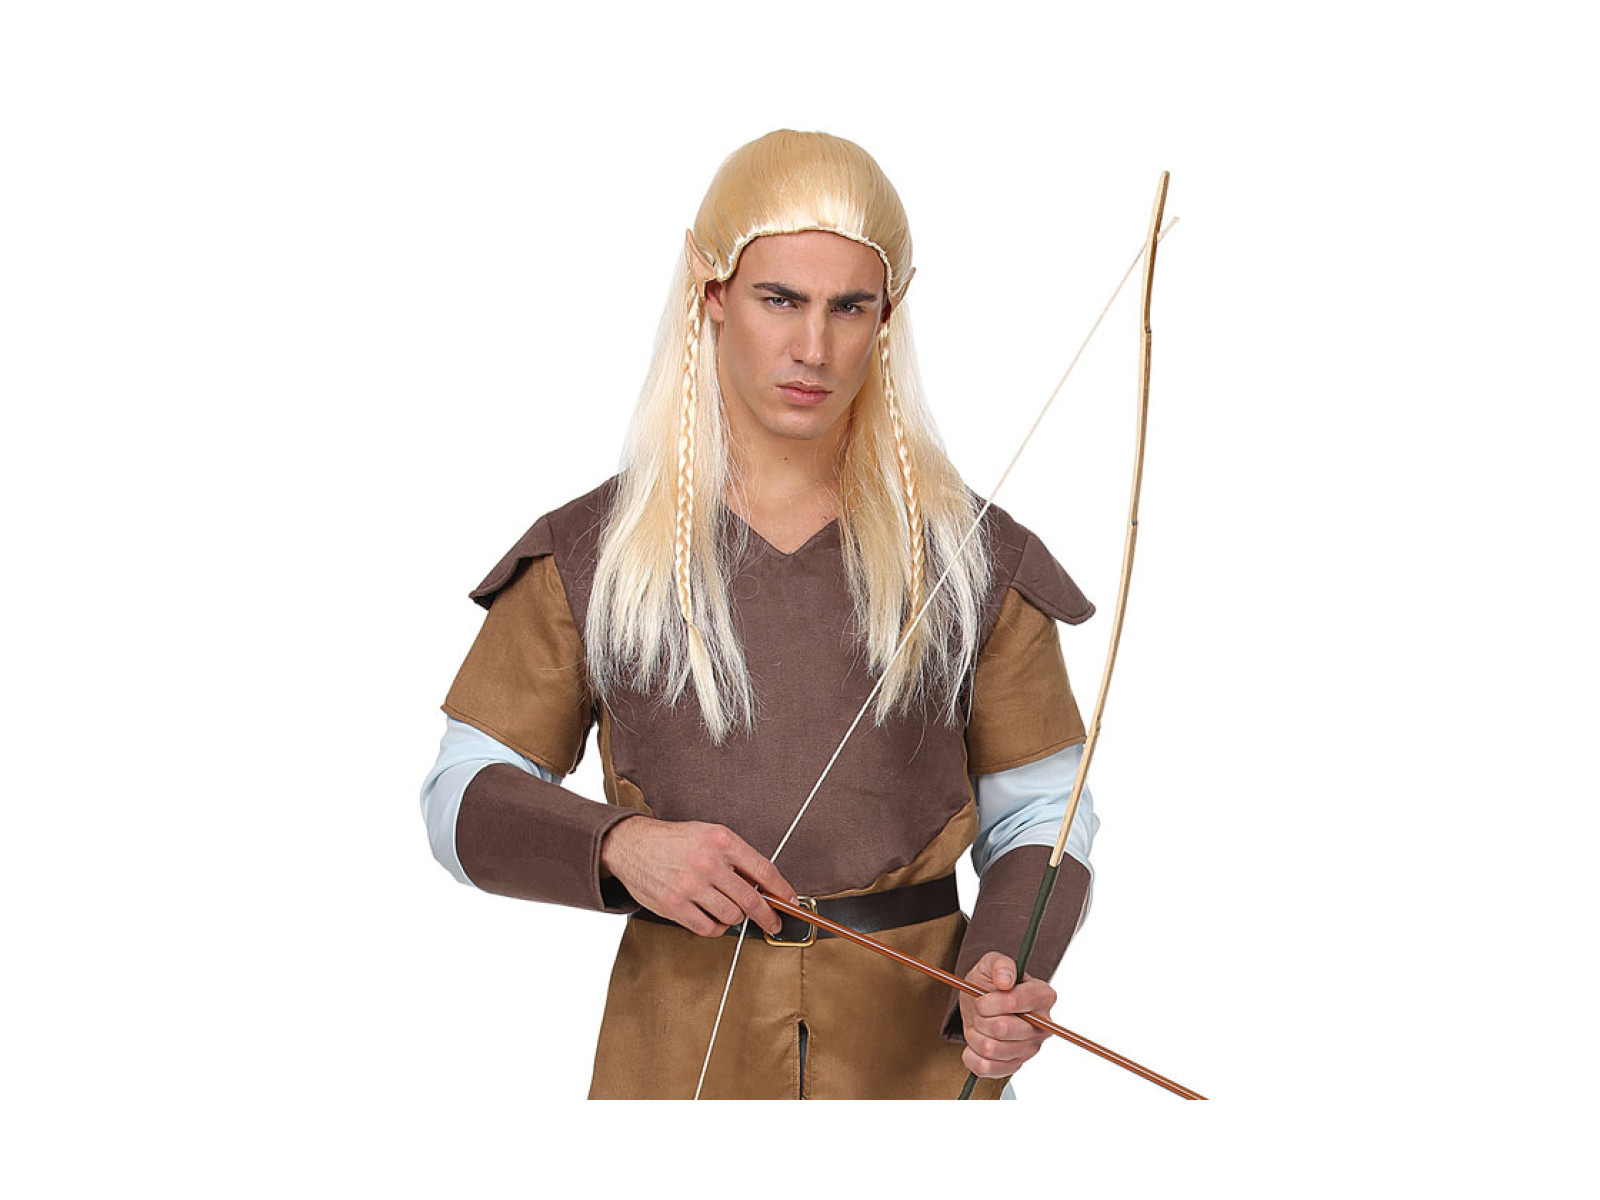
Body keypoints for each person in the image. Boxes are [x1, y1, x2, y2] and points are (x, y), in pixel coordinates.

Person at [421, 129, 1100, 1099]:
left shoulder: (978, 559)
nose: (813, 348)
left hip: (918, 1065)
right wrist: (619, 845)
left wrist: (1005, 968)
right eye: (780, 299)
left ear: (888, 315)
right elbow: (462, 794)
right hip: (675, 1054)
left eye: (848, 307)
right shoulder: (592, 552)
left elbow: (1041, 811)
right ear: (712, 294)